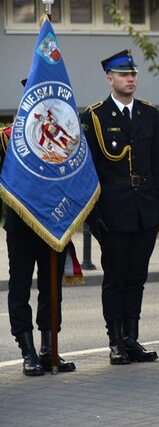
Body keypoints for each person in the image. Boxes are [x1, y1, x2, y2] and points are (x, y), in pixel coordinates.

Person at [81, 49, 159, 365]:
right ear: (110, 79)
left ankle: (132, 338)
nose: (130, 79)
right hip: (113, 211)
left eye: (133, 74)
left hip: (145, 209)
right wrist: (94, 215)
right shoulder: (94, 117)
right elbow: (87, 170)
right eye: (123, 75)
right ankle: (115, 341)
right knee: (116, 277)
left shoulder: (147, 113)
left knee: (137, 276)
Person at [1, 126, 75, 376]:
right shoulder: (7, 136)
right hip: (21, 224)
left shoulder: (66, 134)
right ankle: (28, 352)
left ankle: (48, 349)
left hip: (55, 220)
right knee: (20, 286)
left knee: (52, 288)